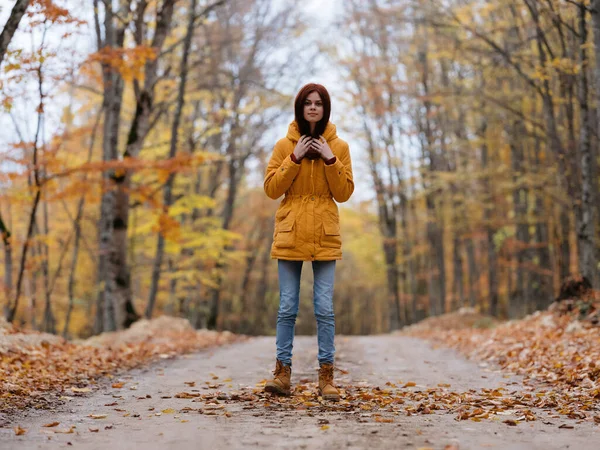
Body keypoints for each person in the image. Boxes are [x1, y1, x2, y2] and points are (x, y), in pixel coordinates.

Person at [263, 83, 354, 401]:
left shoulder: (339, 147)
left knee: (324, 308)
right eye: (307, 103)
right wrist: (294, 157)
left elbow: (343, 194)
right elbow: (272, 189)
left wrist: (330, 159)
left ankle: (326, 378)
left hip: (324, 234)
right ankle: (281, 375)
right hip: (290, 233)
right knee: (287, 307)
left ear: (325, 109)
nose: (313, 108)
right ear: (300, 108)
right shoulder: (281, 145)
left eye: (319, 103)